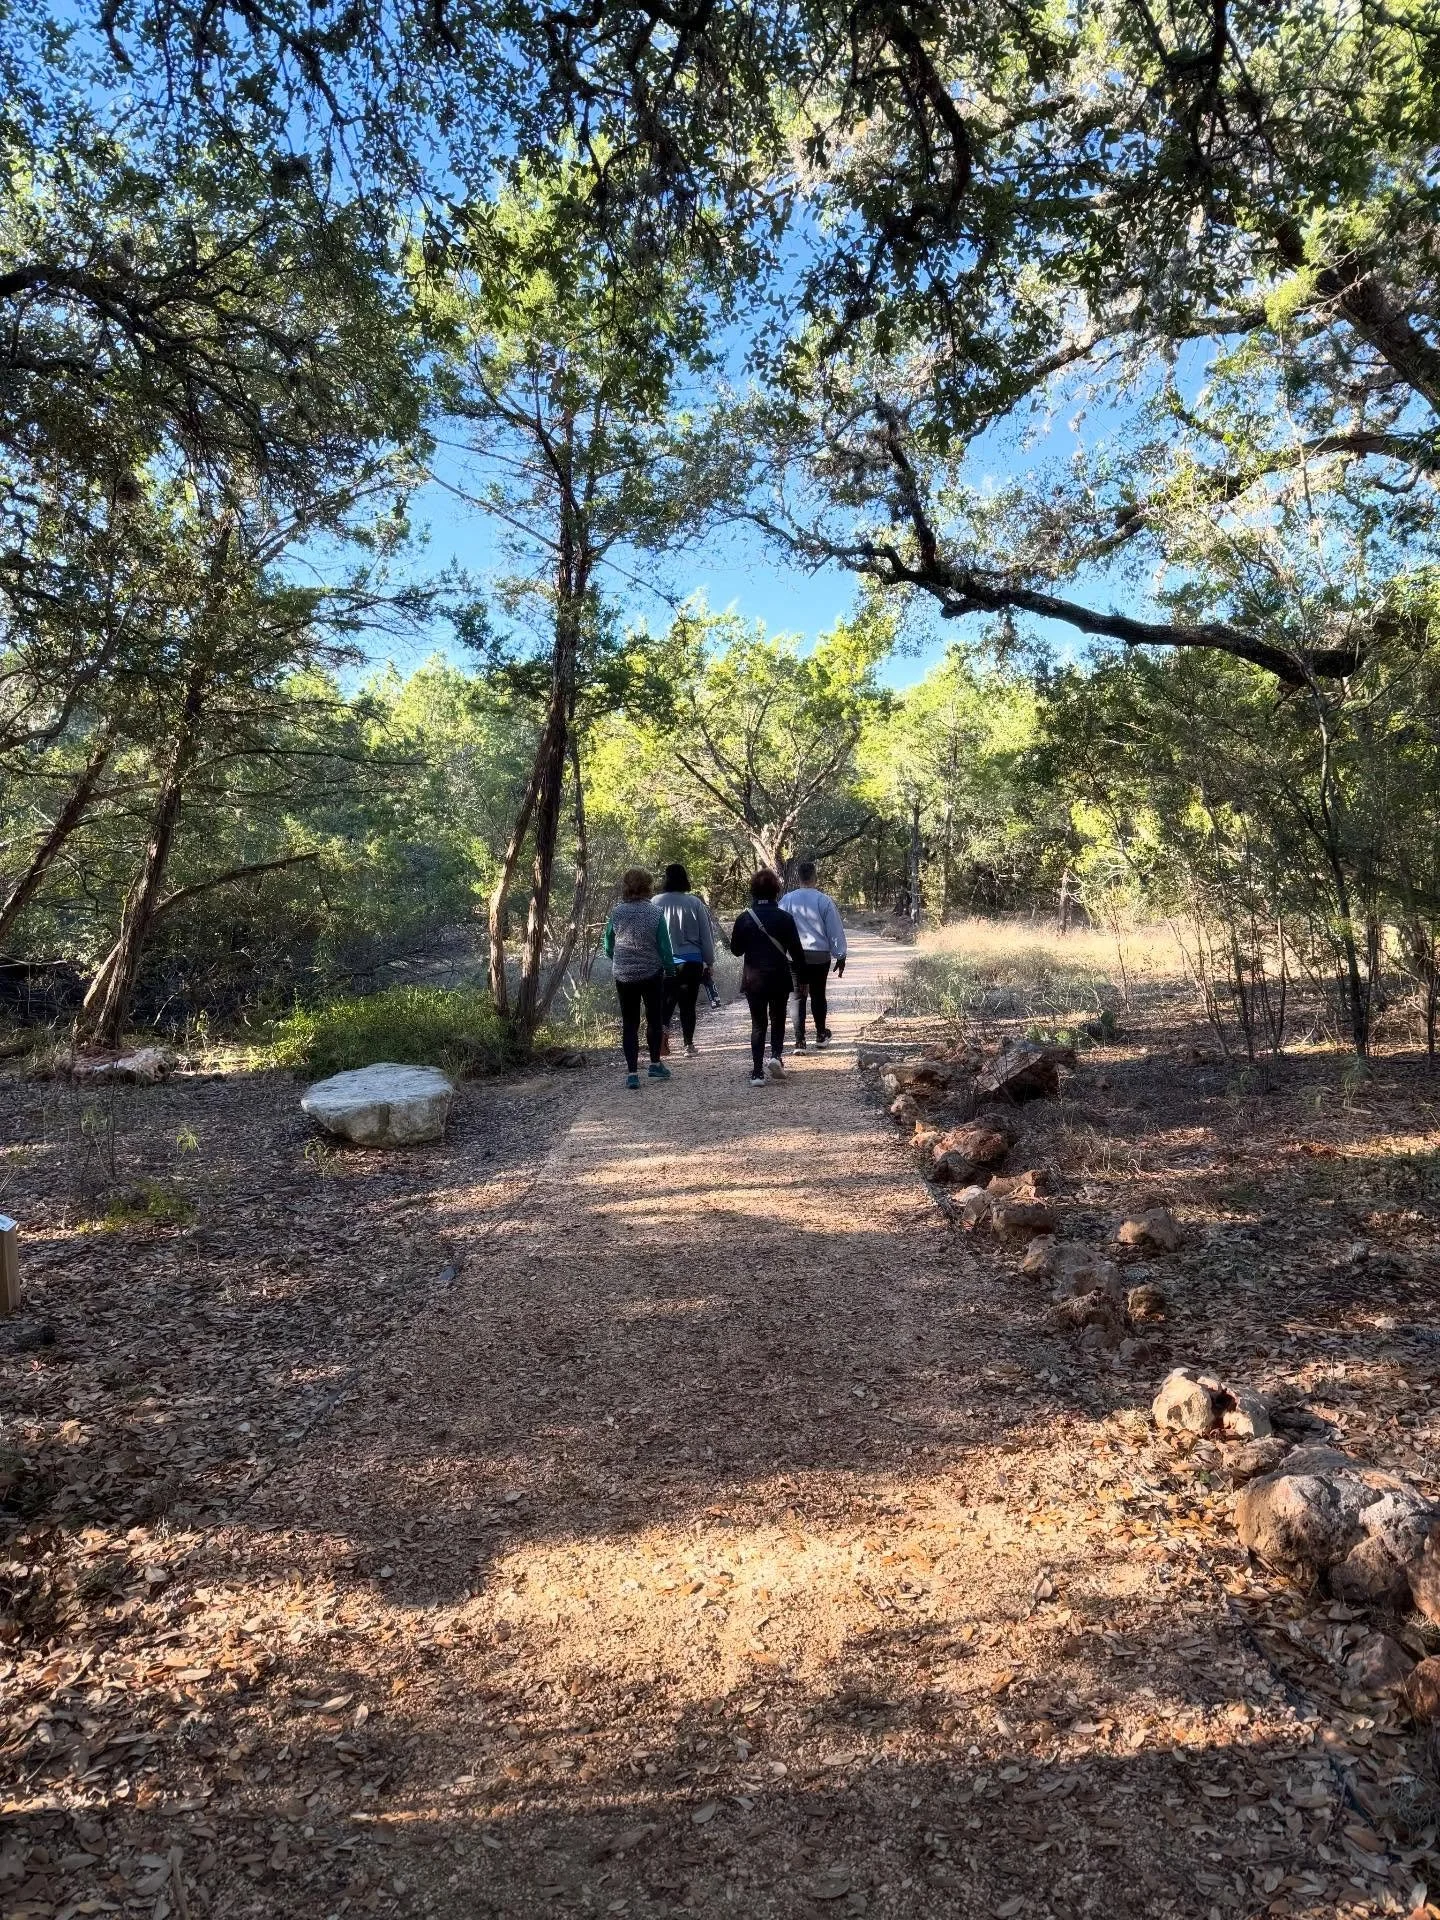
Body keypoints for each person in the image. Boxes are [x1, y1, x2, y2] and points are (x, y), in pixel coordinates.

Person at [729, 869, 807, 1086]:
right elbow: (797, 952)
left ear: (753, 891)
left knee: (758, 1024)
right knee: (778, 1018)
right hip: (779, 976)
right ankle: (776, 1057)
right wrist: (803, 979)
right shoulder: (785, 918)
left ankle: (756, 1073)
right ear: (776, 891)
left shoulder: (744, 918)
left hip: (754, 978)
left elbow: (735, 950)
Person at [602, 868, 676, 1090]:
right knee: (654, 1019)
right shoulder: (655, 912)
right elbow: (664, 945)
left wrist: (620, 959)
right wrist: (670, 969)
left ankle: (632, 1074)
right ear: (648, 886)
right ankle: (654, 1064)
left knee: (629, 1023)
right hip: (651, 973)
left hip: (623, 975)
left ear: (625, 886)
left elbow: (608, 945)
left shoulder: (616, 913)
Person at [779, 859, 847, 1050]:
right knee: (818, 994)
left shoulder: (787, 900)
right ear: (815, 877)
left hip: (793, 956)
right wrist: (840, 954)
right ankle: (820, 1034)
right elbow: (834, 929)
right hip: (819, 956)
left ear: (798, 878)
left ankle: (800, 1041)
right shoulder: (823, 900)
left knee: (797, 997)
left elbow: (780, 927)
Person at [653, 861, 715, 1055]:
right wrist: (709, 961)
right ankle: (688, 1045)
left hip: (665, 961)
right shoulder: (695, 902)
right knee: (688, 1005)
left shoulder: (655, 902)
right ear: (685, 879)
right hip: (692, 961)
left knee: (665, 1004)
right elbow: (706, 935)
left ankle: (661, 1042)